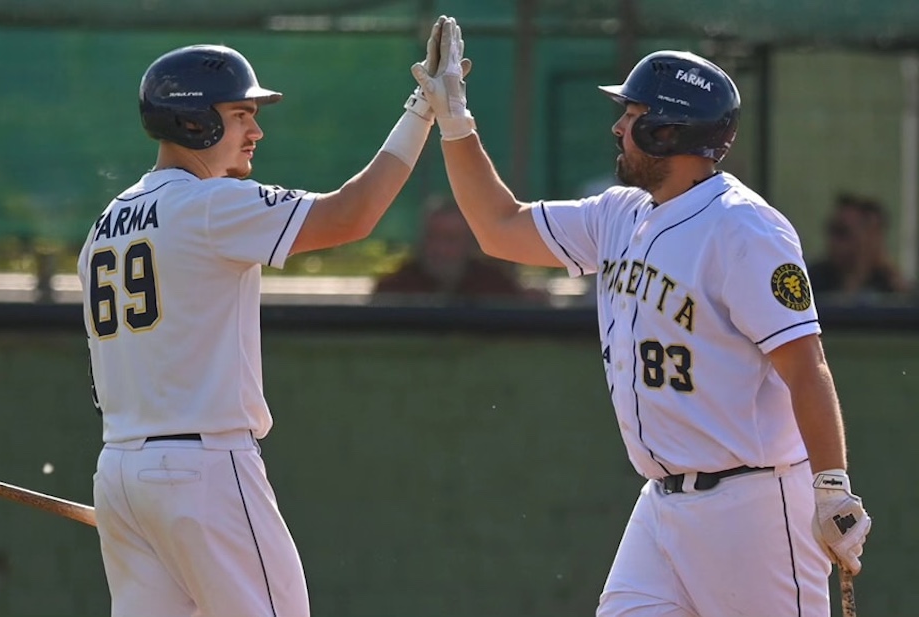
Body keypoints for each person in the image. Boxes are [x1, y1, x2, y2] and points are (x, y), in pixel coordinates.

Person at [412, 17, 872, 616]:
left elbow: (806, 368)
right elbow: (500, 227)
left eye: (633, 115)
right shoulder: (618, 214)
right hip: (661, 505)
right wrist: (455, 122)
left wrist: (830, 483)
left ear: (667, 131)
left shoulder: (744, 229)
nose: (618, 126)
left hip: (754, 506)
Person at [78, 25, 451, 616]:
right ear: (194, 120)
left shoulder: (106, 223)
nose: (255, 129)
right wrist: (422, 112)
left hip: (122, 470)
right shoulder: (208, 204)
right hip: (203, 468)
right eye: (240, 113)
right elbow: (351, 215)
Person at [373, 194, 543, 304]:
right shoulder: (396, 288)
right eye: (433, 237)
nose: (440, 249)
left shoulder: (493, 285)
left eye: (451, 239)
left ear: (469, 244)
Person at [809, 192, 908, 301]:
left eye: (842, 232)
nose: (833, 240)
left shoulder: (891, 287)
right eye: (831, 229)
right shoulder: (813, 280)